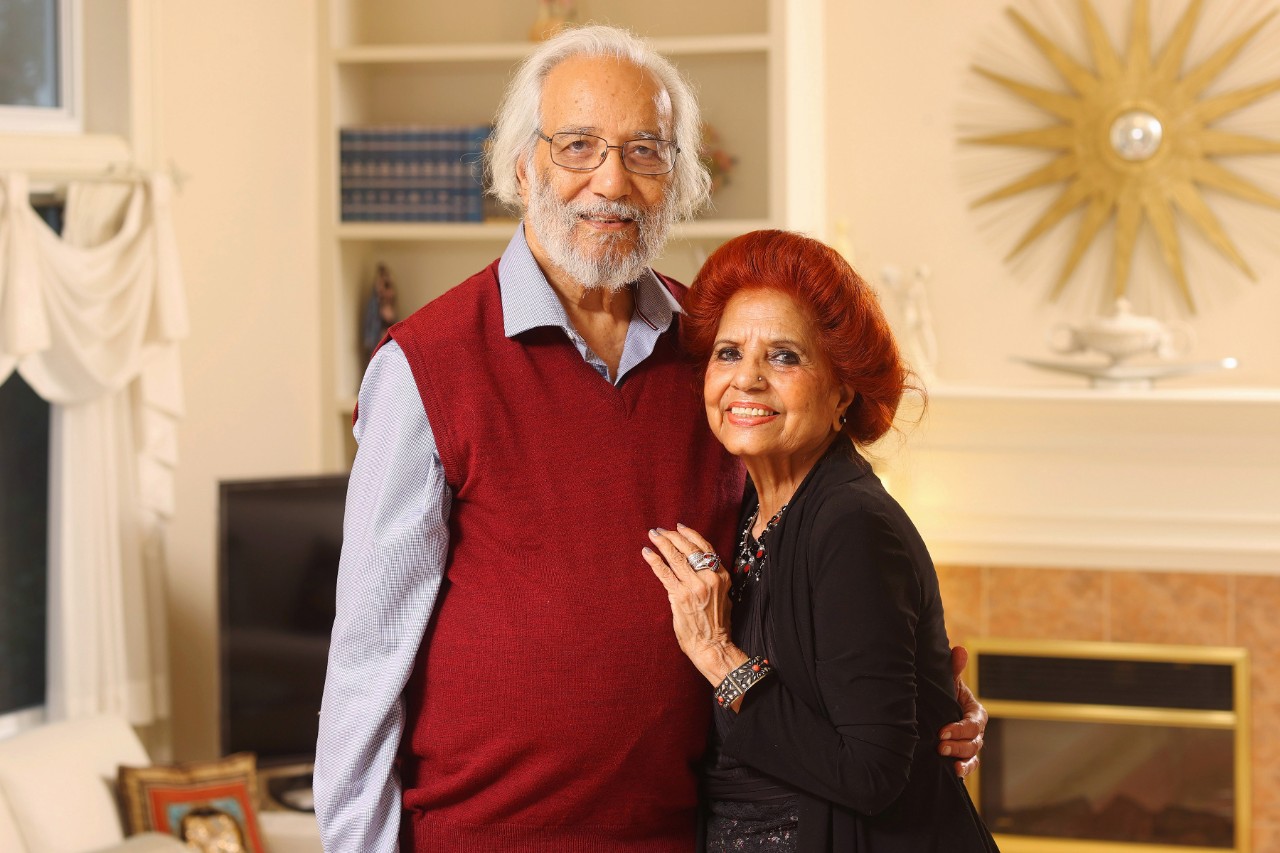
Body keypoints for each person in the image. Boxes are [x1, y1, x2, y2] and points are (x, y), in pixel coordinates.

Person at [314, 24, 987, 853]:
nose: (612, 181)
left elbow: (788, 587)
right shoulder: (425, 365)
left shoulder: (714, 356)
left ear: (678, 178)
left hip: (681, 836)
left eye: (645, 151)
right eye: (578, 146)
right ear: (523, 168)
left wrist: (920, 703)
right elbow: (369, 655)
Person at [644, 229, 999, 852]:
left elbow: (871, 773)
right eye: (728, 353)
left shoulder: (852, 526)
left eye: (784, 357)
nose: (747, 379)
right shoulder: (747, 505)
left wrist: (716, 653)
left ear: (842, 392)